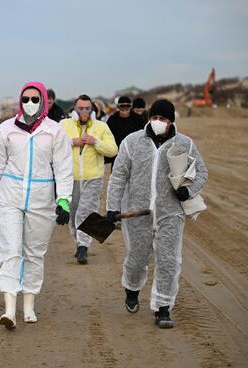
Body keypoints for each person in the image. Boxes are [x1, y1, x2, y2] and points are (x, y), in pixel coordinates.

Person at [106, 99, 208, 328]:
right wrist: (112, 207)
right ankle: (132, 289)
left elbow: (201, 171)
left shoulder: (185, 144)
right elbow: (119, 176)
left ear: (171, 121)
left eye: (162, 119)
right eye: (154, 118)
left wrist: (188, 190)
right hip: (137, 212)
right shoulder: (132, 142)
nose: (157, 122)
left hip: (170, 213)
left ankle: (163, 308)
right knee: (137, 259)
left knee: (169, 261)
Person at [0, 82, 74, 329]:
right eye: (26, 99)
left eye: (35, 99)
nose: (30, 103)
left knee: (34, 253)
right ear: (20, 100)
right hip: (10, 197)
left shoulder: (54, 131)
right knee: (10, 251)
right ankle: (10, 309)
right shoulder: (6, 129)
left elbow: (64, 167)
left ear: (43, 101)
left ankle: (29, 305)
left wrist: (64, 199)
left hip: (41, 199)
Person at [60, 95, 118, 264]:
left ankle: (83, 247)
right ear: (75, 109)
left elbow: (113, 150)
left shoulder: (101, 127)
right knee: (73, 215)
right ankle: (79, 243)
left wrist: (96, 142)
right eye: (81, 108)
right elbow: (52, 144)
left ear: (92, 110)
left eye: (87, 108)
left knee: (86, 212)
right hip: (70, 178)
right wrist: (71, 142)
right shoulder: (64, 125)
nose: (84, 111)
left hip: (93, 177)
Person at [105, 96, 145, 168]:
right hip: (117, 155)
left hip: (134, 155)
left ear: (131, 107)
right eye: (122, 107)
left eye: (127, 107)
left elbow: (143, 136)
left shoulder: (138, 119)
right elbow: (107, 136)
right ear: (118, 107)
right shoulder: (112, 119)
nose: (125, 110)